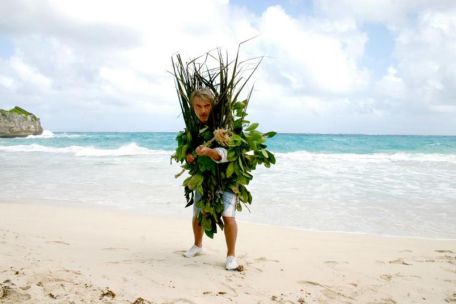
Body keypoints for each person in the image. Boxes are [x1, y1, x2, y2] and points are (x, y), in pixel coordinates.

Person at [182, 88, 239, 271]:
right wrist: (190, 156)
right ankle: (197, 245)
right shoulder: (193, 127)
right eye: (198, 106)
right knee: (198, 213)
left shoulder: (225, 125)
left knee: (228, 217)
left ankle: (231, 255)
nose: (203, 110)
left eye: (207, 105)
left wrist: (210, 152)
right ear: (193, 107)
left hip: (227, 178)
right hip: (204, 178)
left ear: (213, 106)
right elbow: (188, 151)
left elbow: (230, 154)